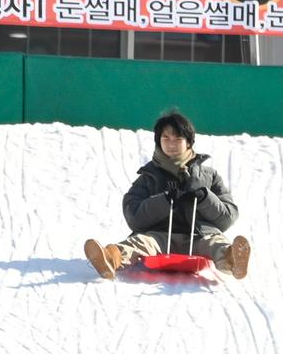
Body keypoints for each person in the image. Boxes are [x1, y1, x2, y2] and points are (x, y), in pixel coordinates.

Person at [82, 111, 251, 280]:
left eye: (178, 138)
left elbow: (229, 216)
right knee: (139, 242)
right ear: (158, 141)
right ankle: (110, 258)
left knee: (216, 243)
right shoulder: (148, 177)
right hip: (159, 236)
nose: (172, 144)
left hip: (199, 236)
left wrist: (205, 199)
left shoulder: (209, 176)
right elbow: (133, 216)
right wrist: (163, 201)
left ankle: (232, 260)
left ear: (189, 142)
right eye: (166, 138)